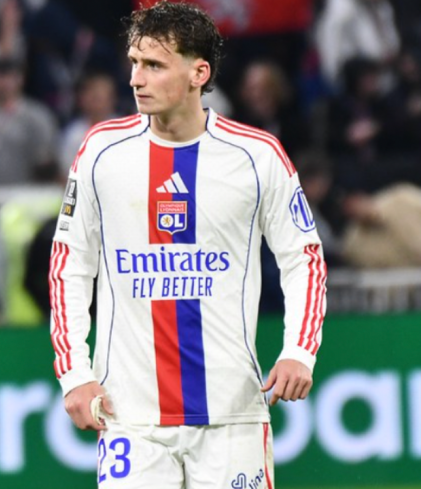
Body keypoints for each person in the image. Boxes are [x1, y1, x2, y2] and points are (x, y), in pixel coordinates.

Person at [49, 3, 326, 487]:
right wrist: (74, 373)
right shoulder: (100, 151)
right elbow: (69, 265)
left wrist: (299, 350)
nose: (136, 79)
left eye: (154, 65)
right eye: (134, 62)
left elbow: (304, 257)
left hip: (230, 415)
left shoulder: (256, 155)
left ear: (200, 73)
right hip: (129, 415)